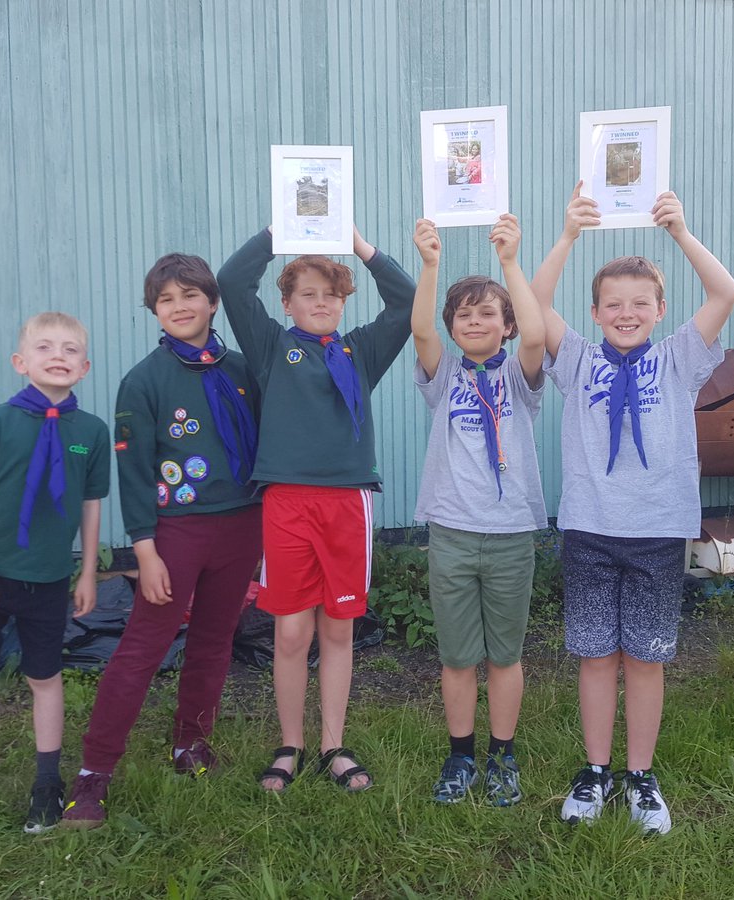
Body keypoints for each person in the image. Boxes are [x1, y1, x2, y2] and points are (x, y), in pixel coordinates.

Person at [533, 184, 734, 832]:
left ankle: (640, 775)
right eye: (613, 304)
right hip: (591, 530)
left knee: (646, 659)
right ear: (594, 312)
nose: (626, 313)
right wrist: (567, 235)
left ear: (659, 309)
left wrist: (679, 232)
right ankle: (596, 771)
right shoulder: (577, 361)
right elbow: (532, 302)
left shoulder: (679, 358)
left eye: (639, 303)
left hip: (656, 532)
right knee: (596, 657)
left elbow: (726, 293)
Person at [61, 254, 263, 828]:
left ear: (213, 301)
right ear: (154, 308)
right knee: (142, 649)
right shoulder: (144, 380)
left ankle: (190, 744)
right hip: (175, 534)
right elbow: (135, 472)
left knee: (214, 640)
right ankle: (94, 775)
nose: (179, 306)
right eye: (167, 299)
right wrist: (143, 549)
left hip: (243, 524)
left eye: (190, 295)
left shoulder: (245, 370)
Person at [217, 224, 416, 793]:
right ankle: (291, 744)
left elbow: (405, 301)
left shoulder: (360, 352)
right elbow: (233, 281)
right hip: (286, 501)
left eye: (331, 294)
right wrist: (281, 229)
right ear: (287, 303)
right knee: (289, 633)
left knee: (339, 630)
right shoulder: (271, 348)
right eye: (308, 293)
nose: (322, 302)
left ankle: (333, 743)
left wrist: (357, 244)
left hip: (347, 504)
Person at [0, 312, 110, 833]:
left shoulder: (91, 432)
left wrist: (86, 572)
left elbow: (90, 504)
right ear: (21, 362)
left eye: (69, 349)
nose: (57, 355)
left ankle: (46, 783)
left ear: (84, 367)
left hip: (51, 578)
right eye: (44, 347)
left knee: (45, 677)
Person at [410, 214, 546, 806]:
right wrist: (430, 265)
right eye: (462, 313)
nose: (474, 320)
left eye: (487, 312)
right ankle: (460, 753)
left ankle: (503, 755)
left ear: (507, 325)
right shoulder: (444, 378)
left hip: (512, 533)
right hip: (453, 534)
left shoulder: (520, 376)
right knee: (458, 655)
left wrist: (510, 264)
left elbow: (540, 337)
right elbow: (420, 334)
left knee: (505, 654)